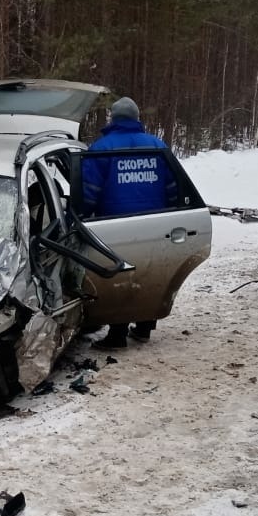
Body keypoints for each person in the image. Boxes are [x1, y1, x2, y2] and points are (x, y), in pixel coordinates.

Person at [81, 96, 178, 349]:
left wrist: (81, 217)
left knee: (121, 278)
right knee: (150, 273)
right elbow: (173, 186)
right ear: (137, 119)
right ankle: (144, 328)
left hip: (115, 227)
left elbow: (88, 191)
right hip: (156, 225)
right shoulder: (157, 146)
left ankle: (117, 335)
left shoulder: (101, 149)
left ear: (114, 119)